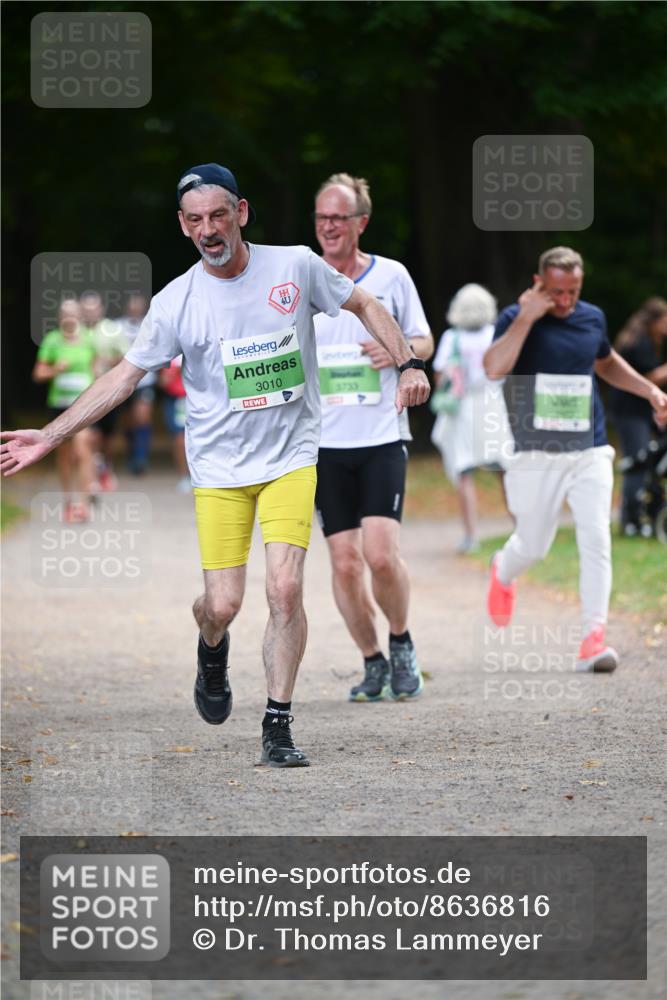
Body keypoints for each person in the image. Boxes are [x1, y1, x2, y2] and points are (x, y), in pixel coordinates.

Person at [1, 163, 430, 767]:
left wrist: (408, 363)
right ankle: (211, 647)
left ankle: (278, 723)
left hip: (290, 457)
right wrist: (51, 435)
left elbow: (363, 302)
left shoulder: (295, 266)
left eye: (219, 215)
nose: (209, 229)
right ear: (183, 225)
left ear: (241, 213)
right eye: (196, 219)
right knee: (222, 604)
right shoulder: (176, 301)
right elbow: (124, 377)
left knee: (285, 589)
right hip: (220, 470)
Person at [483, 247, 667, 672]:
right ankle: (504, 569)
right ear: (538, 283)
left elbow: (606, 362)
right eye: (556, 292)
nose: (566, 301)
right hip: (535, 453)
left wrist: (650, 391)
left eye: (573, 291)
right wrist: (527, 317)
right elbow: (493, 368)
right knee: (533, 545)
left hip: (589, 447)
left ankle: (592, 640)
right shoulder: (515, 317)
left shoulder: (592, 318)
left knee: (596, 536)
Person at [312, 173, 433, 703]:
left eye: (338, 218)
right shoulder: (303, 278)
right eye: (321, 217)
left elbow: (426, 339)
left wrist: (399, 350)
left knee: (381, 556)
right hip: (323, 444)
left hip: (382, 434)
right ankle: (372, 660)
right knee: (344, 563)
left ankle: (401, 642)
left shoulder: (392, 275)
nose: (328, 227)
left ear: (361, 222)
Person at [430, 283, 512, 554]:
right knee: (504, 469)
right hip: (493, 405)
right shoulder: (495, 335)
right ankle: (518, 528)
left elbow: (440, 375)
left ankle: (470, 535)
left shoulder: (452, 338)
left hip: (462, 408)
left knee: (463, 470)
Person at [32, 298, 97, 522]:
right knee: (65, 455)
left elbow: (96, 369)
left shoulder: (89, 339)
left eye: (73, 313)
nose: (69, 318)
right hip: (59, 405)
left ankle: (83, 504)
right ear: (59, 317)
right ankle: (69, 499)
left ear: (80, 316)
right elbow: (38, 374)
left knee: (82, 449)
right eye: (65, 314)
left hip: (84, 406)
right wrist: (55, 370)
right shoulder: (52, 340)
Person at [607, 297, 667, 535]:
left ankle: (635, 515)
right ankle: (630, 521)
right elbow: (647, 378)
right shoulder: (639, 343)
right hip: (630, 412)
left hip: (636, 411)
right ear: (655, 320)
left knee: (642, 461)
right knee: (637, 462)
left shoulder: (641, 339)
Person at [82, 291, 128, 490]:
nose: (90, 313)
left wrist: (108, 361)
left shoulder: (112, 329)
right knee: (91, 433)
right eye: (86, 309)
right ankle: (93, 472)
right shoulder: (76, 331)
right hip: (83, 392)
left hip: (108, 390)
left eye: (94, 309)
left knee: (108, 434)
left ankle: (106, 467)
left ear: (101, 309)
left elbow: (127, 359)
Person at [118, 294, 156, 476]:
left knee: (142, 417)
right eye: (132, 304)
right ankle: (131, 454)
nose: (135, 308)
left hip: (145, 380)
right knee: (127, 421)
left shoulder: (151, 325)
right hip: (122, 380)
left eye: (139, 305)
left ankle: (141, 458)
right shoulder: (117, 327)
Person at [159, 354, 190, 492]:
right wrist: (174, 372)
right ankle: (184, 476)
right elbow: (163, 382)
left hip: (195, 398)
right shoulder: (171, 355)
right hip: (177, 399)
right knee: (179, 439)